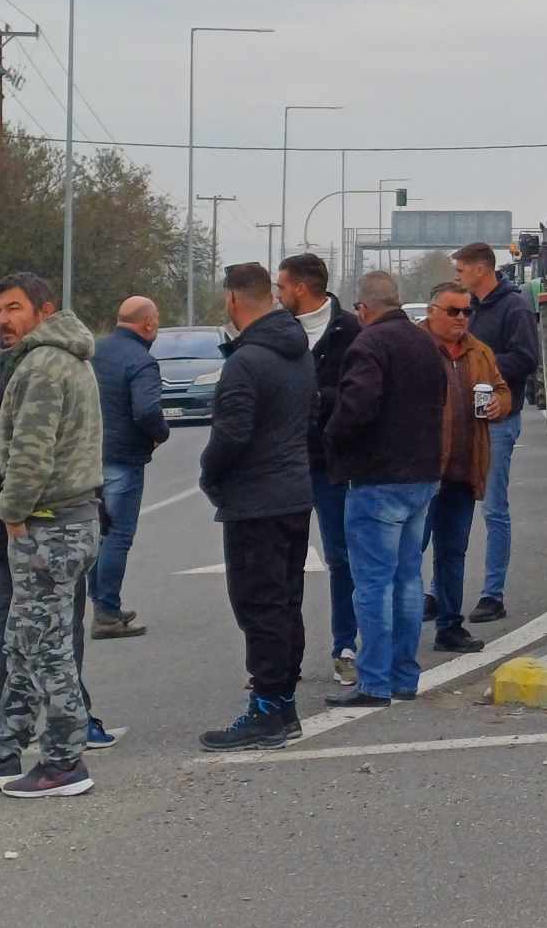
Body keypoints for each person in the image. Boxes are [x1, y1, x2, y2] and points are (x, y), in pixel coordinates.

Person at [0, 272, 105, 798]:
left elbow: (31, 453)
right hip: (59, 521)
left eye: (13, 308)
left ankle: (63, 762)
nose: (3, 321)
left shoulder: (44, 366)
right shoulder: (58, 360)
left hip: (50, 525)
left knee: (46, 646)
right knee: (21, 641)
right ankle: (4, 747)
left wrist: (11, 510)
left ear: (44, 310)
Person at [197, 263, 320, 749]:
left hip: (255, 501)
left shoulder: (246, 362)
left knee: (258, 606)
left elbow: (231, 434)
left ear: (232, 300)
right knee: (285, 604)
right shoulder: (297, 351)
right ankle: (281, 704)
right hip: (293, 493)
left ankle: (267, 709)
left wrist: (210, 474)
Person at [323, 271, 447, 707]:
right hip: (422, 476)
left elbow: (356, 407)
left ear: (363, 308)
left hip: (377, 479)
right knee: (409, 579)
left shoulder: (368, 345)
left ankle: (373, 682)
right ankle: (404, 676)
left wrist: (331, 439)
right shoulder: (425, 343)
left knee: (372, 584)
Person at [277, 252, 363, 685]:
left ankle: (345, 645)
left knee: (341, 556)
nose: (278, 294)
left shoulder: (350, 330)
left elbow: (359, 391)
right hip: (287, 463)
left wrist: (317, 402)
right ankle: (281, 656)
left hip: (333, 463)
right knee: (283, 559)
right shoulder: (279, 331)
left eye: (282, 287)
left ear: (302, 287)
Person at [420, 281, 511, 655]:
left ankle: (450, 626)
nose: (461, 319)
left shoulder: (480, 352)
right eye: (453, 311)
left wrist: (499, 406)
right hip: (421, 473)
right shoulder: (415, 347)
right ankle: (400, 630)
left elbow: (503, 390)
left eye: (466, 312)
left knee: (453, 552)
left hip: (463, 470)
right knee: (409, 554)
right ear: (432, 312)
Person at [451, 242, 539, 624]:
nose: (458, 275)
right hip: (459, 420)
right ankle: (440, 591)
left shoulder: (514, 306)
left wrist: (480, 364)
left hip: (498, 420)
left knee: (494, 508)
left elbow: (525, 359)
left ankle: (492, 593)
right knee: (449, 506)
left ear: (481, 269)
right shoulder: (466, 308)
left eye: (462, 269)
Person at [89, 296, 166, 636]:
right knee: (118, 534)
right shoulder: (142, 361)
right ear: (147, 324)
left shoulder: (95, 351)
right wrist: (160, 434)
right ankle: (106, 612)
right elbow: (147, 410)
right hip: (123, 457)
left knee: (98, 532)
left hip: (90, 455)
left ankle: (99, 601)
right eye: (157, 321)